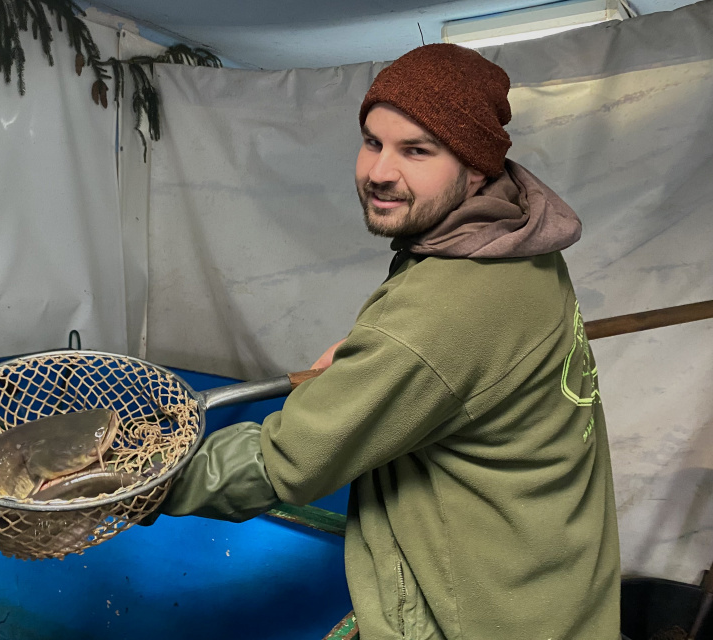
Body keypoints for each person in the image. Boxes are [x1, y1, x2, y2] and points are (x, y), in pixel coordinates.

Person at [147, 43, 621, 639]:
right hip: (556, 592)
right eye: (373, 141)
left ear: (476, 167)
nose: (378, 171)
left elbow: (283, 463)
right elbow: (458, 359)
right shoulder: (516, 238)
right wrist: (381, 365)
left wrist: (128, 483)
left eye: (416, 151)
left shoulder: (439, 313)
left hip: (478, 617)